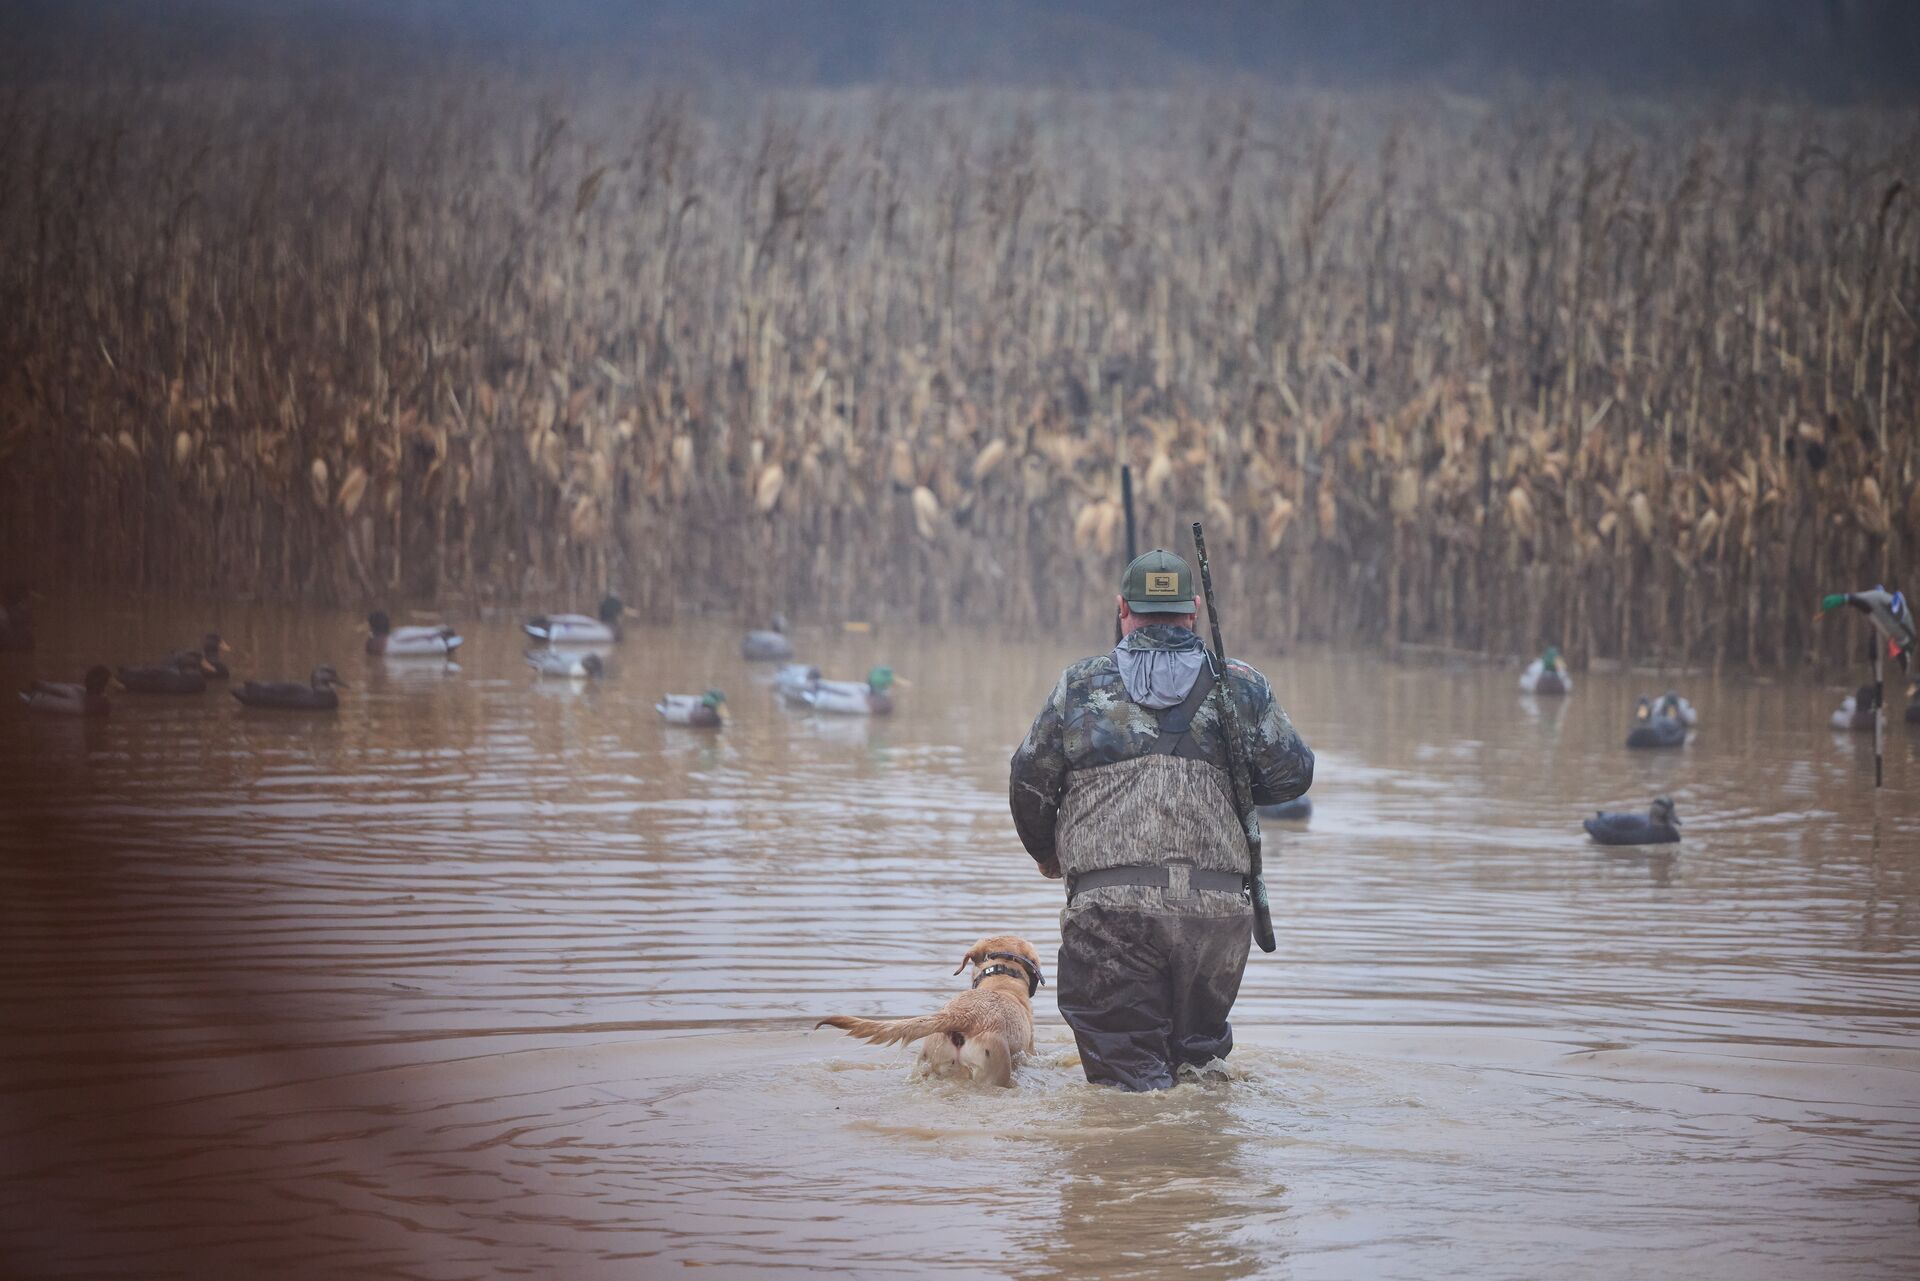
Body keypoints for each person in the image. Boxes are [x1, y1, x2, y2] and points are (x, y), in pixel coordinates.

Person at [1009, 548, 1313, 1090]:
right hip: (1216, 920)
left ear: (1123, 609)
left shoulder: (1079, 687)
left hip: (1110, 918)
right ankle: (1198, 1168)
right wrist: (1234, 778)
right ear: (1192, 610)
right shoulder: (1241, 686)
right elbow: (1293, 776)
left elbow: (1029, 780)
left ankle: (1141, 1170)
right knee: (1199, 1075)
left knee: (1129, 1092)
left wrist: (1047, 853)